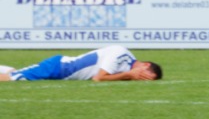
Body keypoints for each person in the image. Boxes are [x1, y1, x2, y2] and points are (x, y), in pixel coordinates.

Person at [0, 45, 162, 82]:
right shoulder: (120, 53)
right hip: (59, 67)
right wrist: (129, 75)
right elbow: (98, 78)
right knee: (14, 79)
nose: (140, 78)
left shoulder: (127, 65)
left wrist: (129, 76)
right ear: (146, 64)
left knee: (17, 73)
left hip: (61, 70)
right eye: (144, 75)